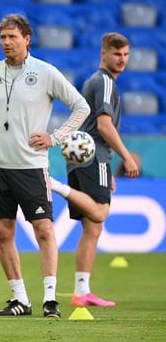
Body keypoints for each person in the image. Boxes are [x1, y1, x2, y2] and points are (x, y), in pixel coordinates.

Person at [0, 14, 90, 318]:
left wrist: (55, 137)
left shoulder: (45, 73)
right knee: (4, 233)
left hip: (32, 167)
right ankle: (20, 299)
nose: (7, 43)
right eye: (3, 37)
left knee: (44, 230)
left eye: (12, 37)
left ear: (27, 39)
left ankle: (49, 299)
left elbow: (80, 106)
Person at [48, 32, 140, 308]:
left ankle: (82, 292)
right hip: (91, 155)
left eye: (125, 55)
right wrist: (126, 157)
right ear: (103, 54)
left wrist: (107, 167)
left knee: (93, 227)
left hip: (83, 156)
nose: (122, 60)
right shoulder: (105, 82)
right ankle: (52, 184)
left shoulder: (94, 81)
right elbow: (103, 126)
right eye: (116, 54)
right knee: (99, 212)